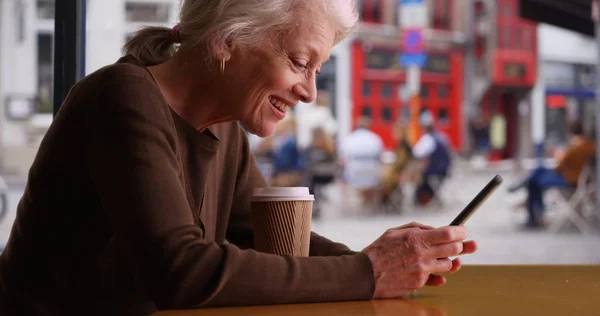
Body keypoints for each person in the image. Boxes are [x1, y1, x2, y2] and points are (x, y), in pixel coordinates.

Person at [0, 1, 477, 314]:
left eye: (317, 70)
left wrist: (385, 261)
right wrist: (367, 271)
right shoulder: (123, 96)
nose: (310, 92)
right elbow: (181, 271)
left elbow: (261, 236)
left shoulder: (222, 123)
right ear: (229, 40)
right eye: (299, 63)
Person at [508, 121, 595, 228]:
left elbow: (559, 168)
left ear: (571, 133)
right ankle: (534, 210)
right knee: (539, 171)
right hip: (574, 179)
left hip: (570, 181)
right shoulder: (589, 145)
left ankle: (532, 214)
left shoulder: (575, 148)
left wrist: (560, 155)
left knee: (536, 179)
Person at [340, 117, 385, 210]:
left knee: (341, 178)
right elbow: (380, 157)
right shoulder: (375, 138)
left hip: (354, 173)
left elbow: (343, 158)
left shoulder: (349, 138)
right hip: (372, 173)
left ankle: (346, 205)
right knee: (380, 178)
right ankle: (373, 204)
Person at [412, 111, 452, 206]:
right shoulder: (442, 136)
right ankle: (429, 197)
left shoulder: (428, 138)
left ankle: (421, 200)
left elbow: (417, 153)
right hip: (445, 170)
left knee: (417, 176)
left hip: (435, 170)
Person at [304, 127, 338, 218]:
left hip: (316, 177)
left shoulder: (311, 148)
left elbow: (308, 163)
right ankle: (316, 201)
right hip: (329, 176)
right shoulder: (331, 147)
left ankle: (311, 201)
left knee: (307, 178)